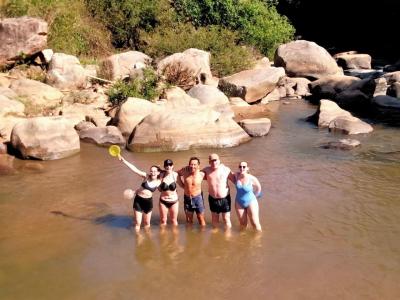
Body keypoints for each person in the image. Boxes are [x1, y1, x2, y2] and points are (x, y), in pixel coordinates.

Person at [118, 155, 161, 231]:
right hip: (138, 201)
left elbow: (168, 176)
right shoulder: (146, 176)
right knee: (138, 223)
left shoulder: (159, 182)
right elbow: (134, 169)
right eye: (151, 171)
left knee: (147, 223)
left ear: (158, 172)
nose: (152, 172)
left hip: (148, 202)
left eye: (154, 171)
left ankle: (148, 239)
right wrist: (124, 161)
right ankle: (138, 240)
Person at [202, 153, 234, 229]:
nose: (214, 163)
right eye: (211, 161)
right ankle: (215, 235)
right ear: (209, 162)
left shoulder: (226, 169)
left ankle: (227, 237)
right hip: (212, 198)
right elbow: (196, 176)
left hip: (225, 199)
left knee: (226, 219)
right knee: (214, 219)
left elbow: (235, 180)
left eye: (215, 160)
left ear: (219, 161)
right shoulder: (206, 170)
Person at [177, 157, 206, 227]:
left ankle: (202, 235)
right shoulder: (184, 171)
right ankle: (190, 235)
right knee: (189, 220)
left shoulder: (202, 174)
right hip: (188, 198)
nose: (192, 166)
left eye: (194, 164)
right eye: (191, 164)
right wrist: (181, 184)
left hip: (198, 198)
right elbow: (175, 173)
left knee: (201, 219)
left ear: (198, 165)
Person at [234, 161, 262, 231]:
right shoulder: (236, 175)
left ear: (247, 168)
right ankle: (243, 239)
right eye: (240, 167)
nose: (242, 168)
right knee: (242, 223)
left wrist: (255, 197)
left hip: (251, 201)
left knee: (255, 223)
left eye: (244, 167)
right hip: (239, 202)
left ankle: (258, 240)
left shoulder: (252, 178)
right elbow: (227, 173)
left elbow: (259, 188)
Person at [159, 159, 180, 227]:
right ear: (164, 167)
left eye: (170, 165)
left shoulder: (176, 175)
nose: (168, 166)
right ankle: (163, 237)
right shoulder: (161, 175)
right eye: (166, 165)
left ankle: (175, 237)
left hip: (174, 201)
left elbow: (183, 185)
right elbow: (159, 189)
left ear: (172, 166)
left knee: (174, 221)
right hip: (163, 201)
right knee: (163, 220)